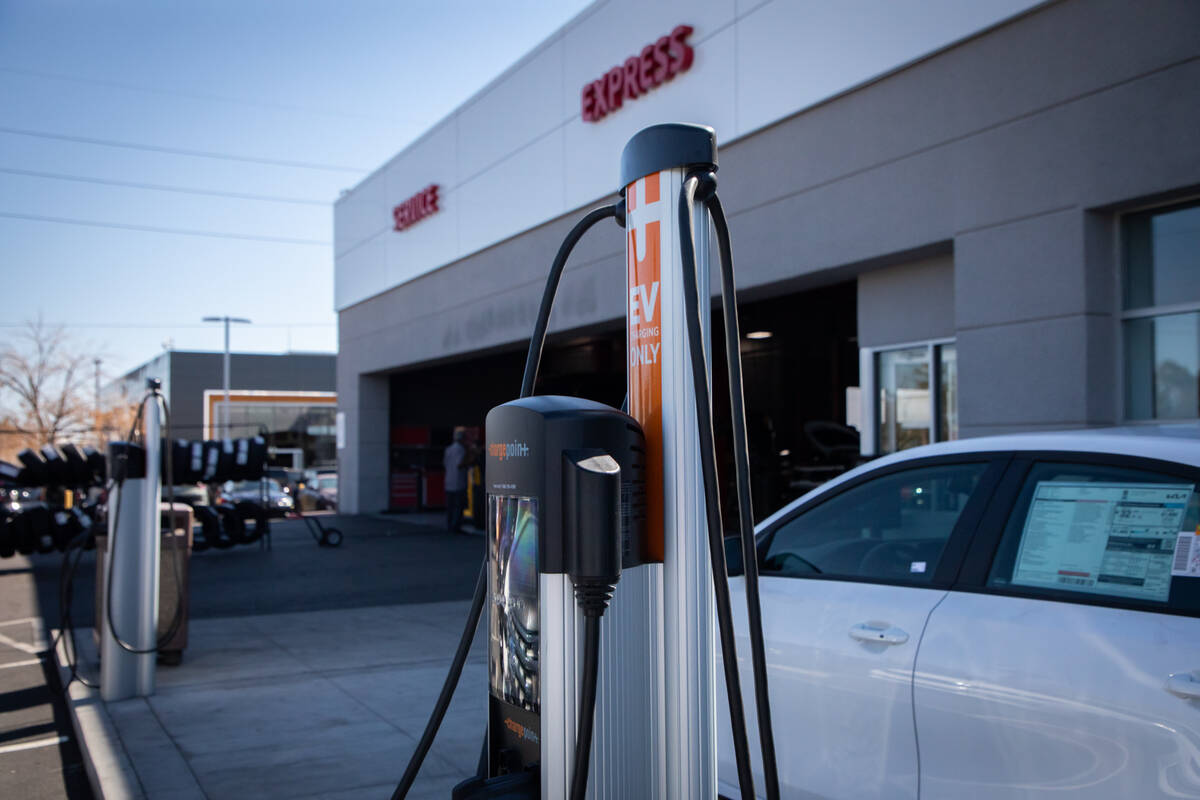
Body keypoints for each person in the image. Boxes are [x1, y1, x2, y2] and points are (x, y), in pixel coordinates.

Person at [444, 428, 467, 534]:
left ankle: (449, 525)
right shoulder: (461, 450)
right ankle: (455, 527)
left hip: (448, 481)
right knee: (458, 506)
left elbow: (445, 464)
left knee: (450, 506)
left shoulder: (448, 449)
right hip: (458, 482)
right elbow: (460, 464)